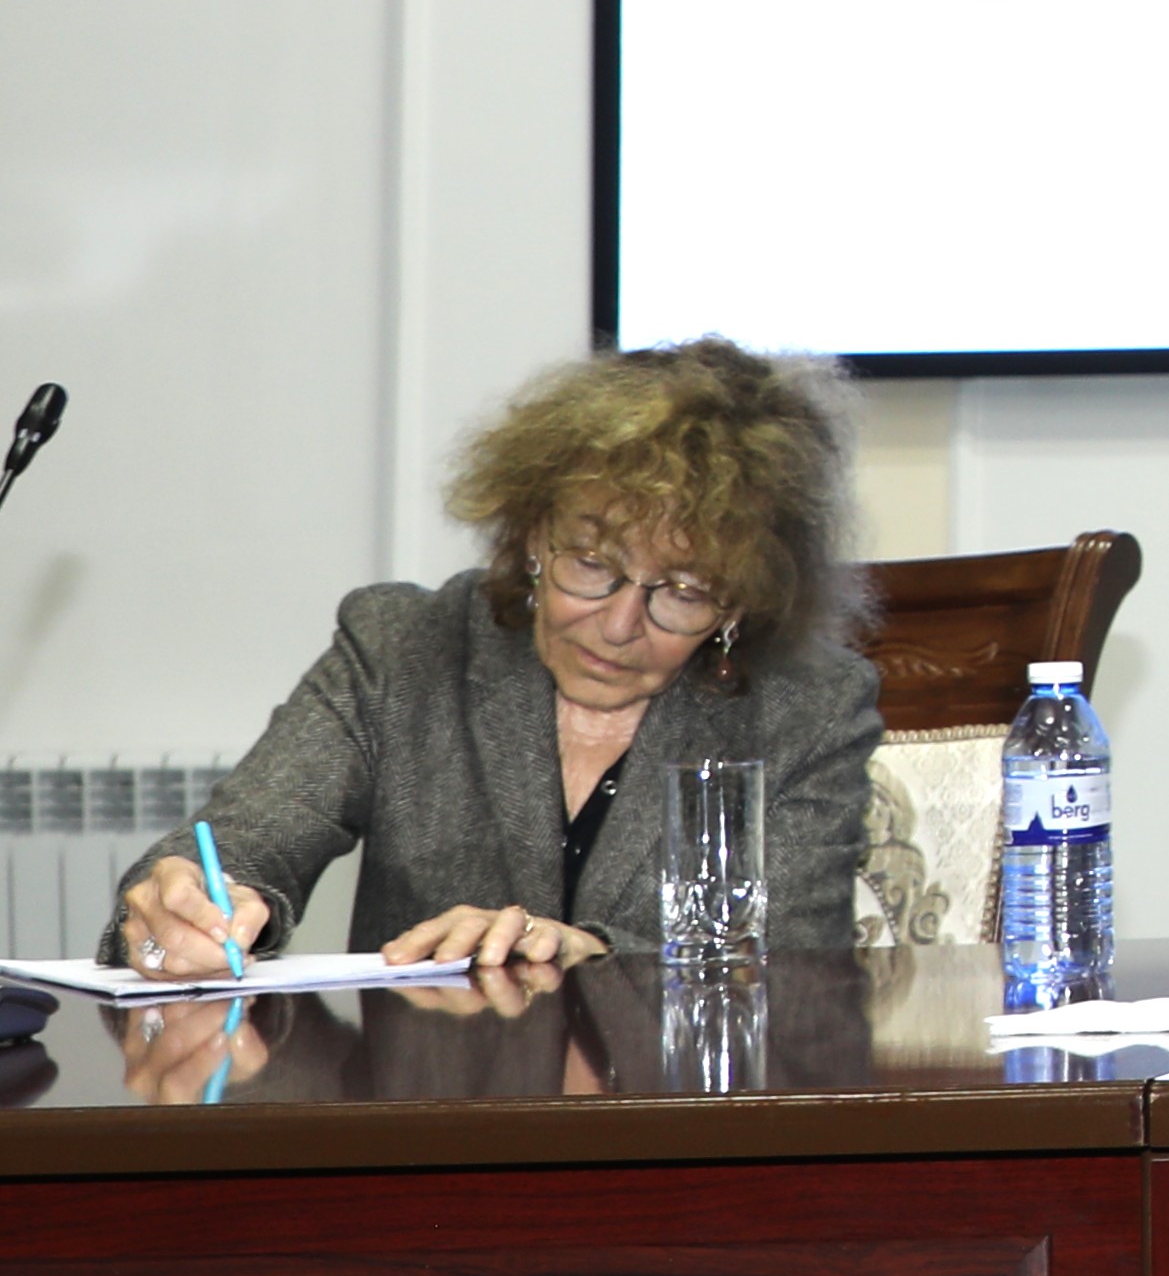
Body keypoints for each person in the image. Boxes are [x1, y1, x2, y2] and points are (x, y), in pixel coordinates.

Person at [115, 339, 880, 976]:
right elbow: (246, 838)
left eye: (683, 590)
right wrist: (184, 906)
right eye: (591, 562)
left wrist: (590, 956)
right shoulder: (403, 648)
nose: (619, 625)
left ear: (740, 602)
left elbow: (800, 969)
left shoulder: (807, 708)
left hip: (676, 1102)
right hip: (424, 1099)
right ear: (531, 535)